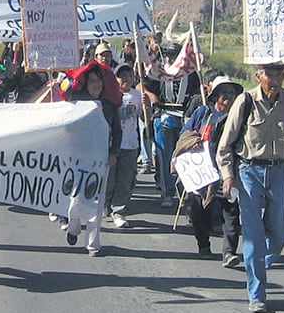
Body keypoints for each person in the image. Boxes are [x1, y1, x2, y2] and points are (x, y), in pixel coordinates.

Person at [216, 62, 284, 313]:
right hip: (249, 172)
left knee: (281, 233)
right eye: (270, 74)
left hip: (279, 172)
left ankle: (257, 264)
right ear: (259, 75)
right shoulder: (245, 101)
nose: (275, 79)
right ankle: (257, 294)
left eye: (280, 73)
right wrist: (227, 176)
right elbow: (225, 145)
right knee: (254, 237)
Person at [176, 74, 243, 266]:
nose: (228, 97)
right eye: (224, 93)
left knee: (231, 212)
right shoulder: (202, 113)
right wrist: (193, 141)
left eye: (231, 93)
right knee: (199, 211)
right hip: (202, 172)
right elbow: (185, 133)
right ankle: (203, 246)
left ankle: (229, 252)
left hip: (228, 171)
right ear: (215, 96)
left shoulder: (239, 117)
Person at [62, 61, 122, 256]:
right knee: (76, 194)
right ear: (86, 84)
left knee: (96, 201)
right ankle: (74, 227)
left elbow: (117, 131)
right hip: (79, 158)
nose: (96, 84)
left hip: (102, 160)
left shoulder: (109, 106)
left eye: (99, 81)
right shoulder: (77, 103)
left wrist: (113, 153)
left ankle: (93, 244)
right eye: (92, 81)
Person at [146, 43, 201, 207]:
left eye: (173, 55)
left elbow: (198, 91)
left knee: (185, 157)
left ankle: (185, 191)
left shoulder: (190, 74)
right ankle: (167, 193)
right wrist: (151, 96)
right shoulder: (158, 71)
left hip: (185, 118)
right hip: (164, 117)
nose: (170, 58)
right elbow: (144, 85)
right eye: (167, 55)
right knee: (165, 157)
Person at [108, 63, 143, 228]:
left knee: (125, 178)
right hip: (112, 145)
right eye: (123, 76)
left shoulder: (137, 96)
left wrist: (147, 105)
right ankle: (107, 204)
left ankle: (119, 210)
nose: (127, 79)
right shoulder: (110, 96)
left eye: (130, 76)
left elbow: (142, 117)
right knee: (109, 179)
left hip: (131, 144)